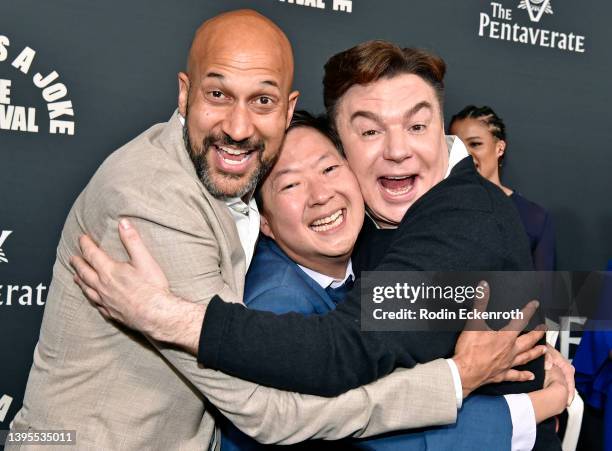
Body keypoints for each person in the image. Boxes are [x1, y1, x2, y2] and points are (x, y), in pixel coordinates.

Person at [8, 12, 552, 450]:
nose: (396, 148)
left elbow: (362, 337)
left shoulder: (456, 217)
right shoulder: (154, 202)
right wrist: (460, 379)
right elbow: (272, 412)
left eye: (417, 125)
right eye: (368, 131)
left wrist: (545, 321)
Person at [219, 110, 567, 451]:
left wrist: (538, 352)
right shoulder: (278, 304)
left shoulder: (367, 245)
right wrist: (535, 404)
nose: (321, 194)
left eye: (329, 168)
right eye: (291, 184)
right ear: (262, 219)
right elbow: (351, 431)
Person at [449, 105, 556, 270]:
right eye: (458, 146)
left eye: (475, 144)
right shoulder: (437, 209)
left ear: (499, 148)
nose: (465, 154)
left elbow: (544, 291)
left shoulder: (533, 218)